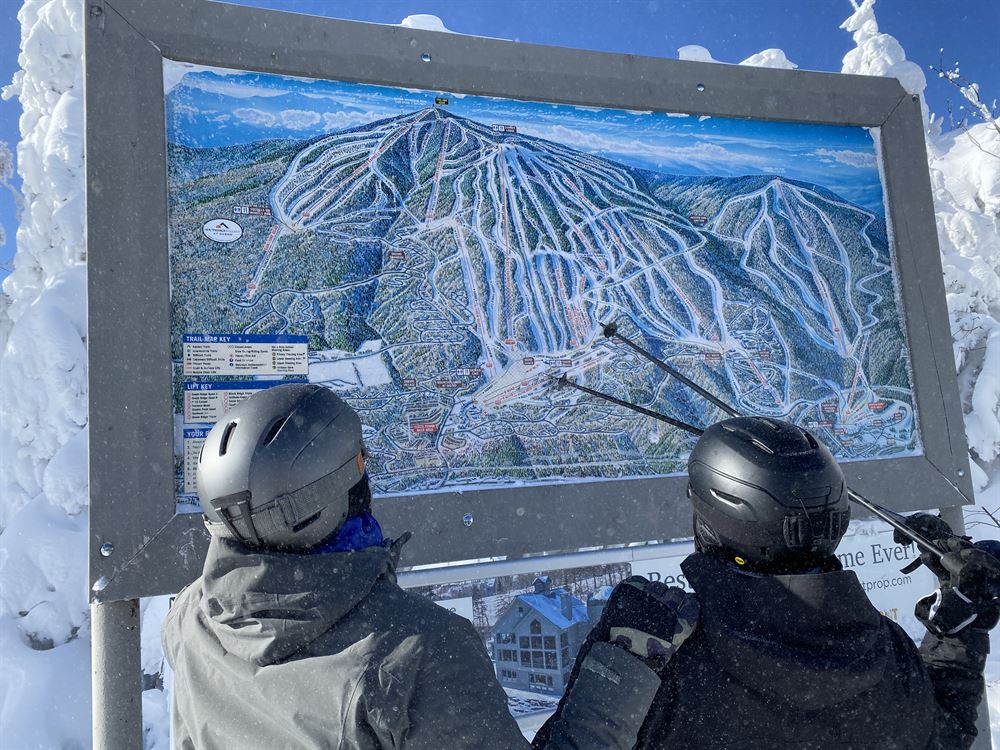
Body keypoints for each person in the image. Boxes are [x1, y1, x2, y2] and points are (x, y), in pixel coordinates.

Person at [161, 382, 700, 750]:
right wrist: (623, 662)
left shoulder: (190, 619)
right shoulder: (414, 651)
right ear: (338, 496)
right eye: (360, 465)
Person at [537, 416, 1000, 749]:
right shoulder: (883, 651)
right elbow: (939, 735)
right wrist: (960, 630)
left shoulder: (657, 646)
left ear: (712, 521)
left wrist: (622, 646)